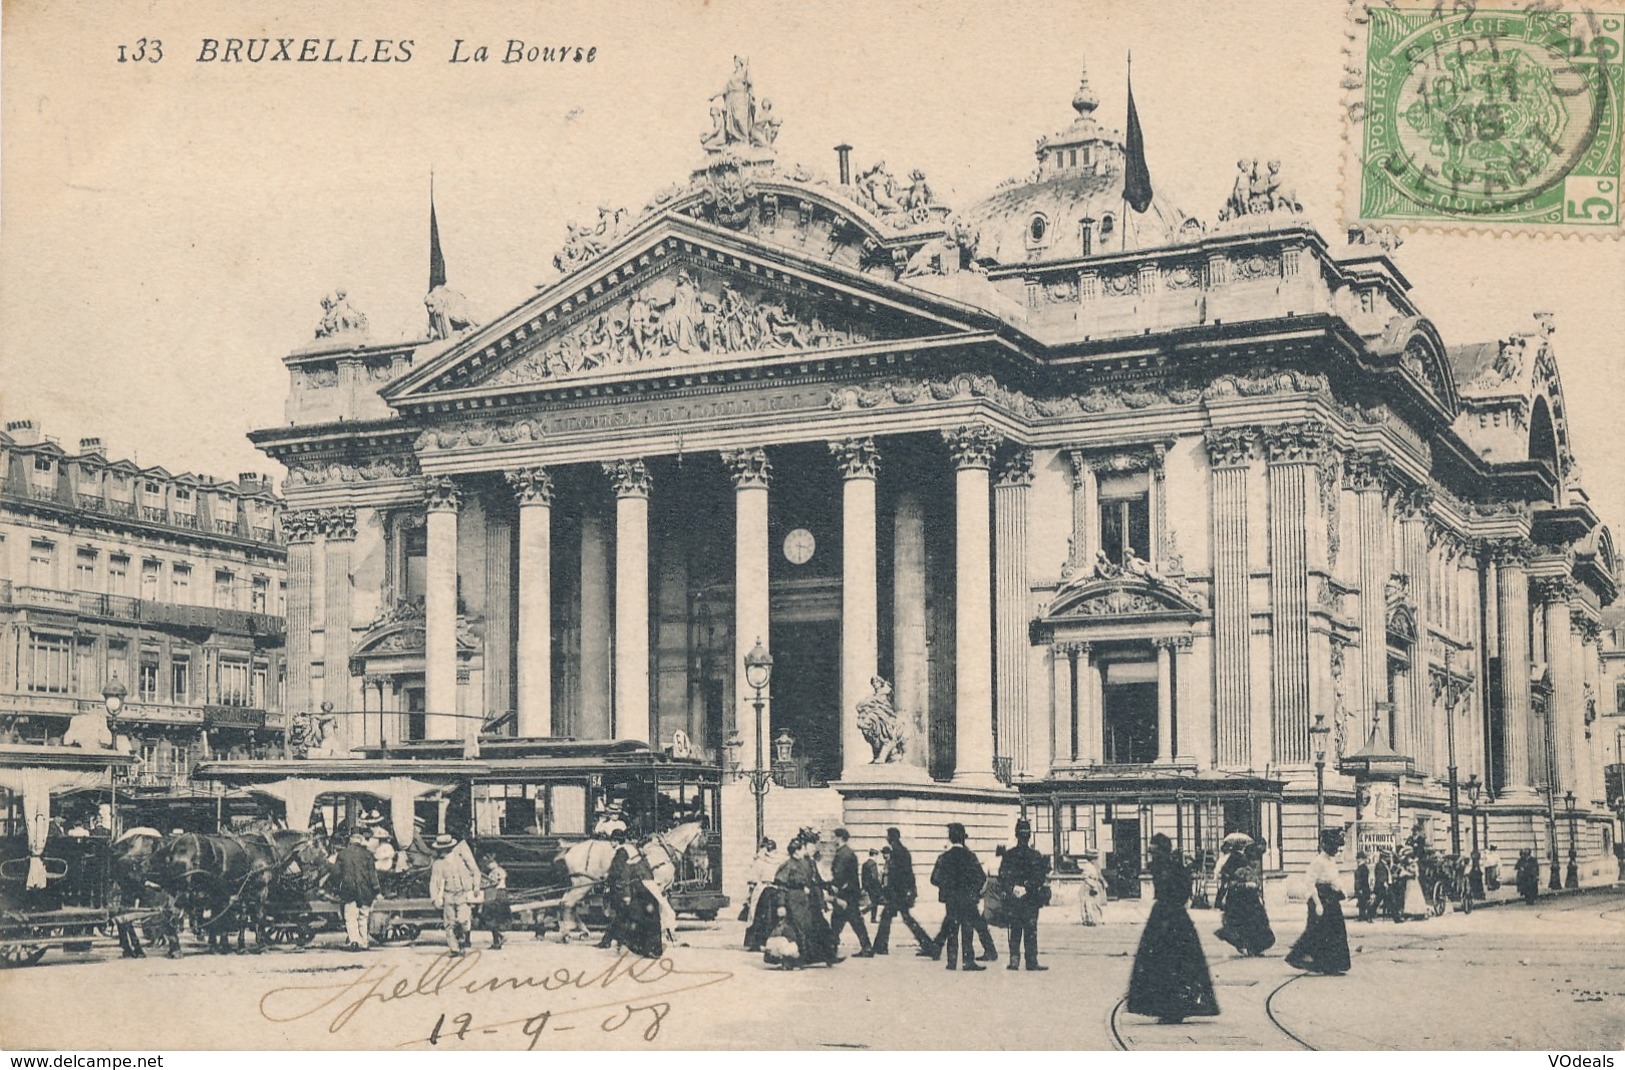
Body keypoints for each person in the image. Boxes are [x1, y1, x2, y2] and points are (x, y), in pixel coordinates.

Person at [1126, 833, 1220, 1024]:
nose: (1152, 855)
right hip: (1168, 916)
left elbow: (1183, 892)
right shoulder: (1164, 867)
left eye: (1154, 851)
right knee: (1168, 963)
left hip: (1170, 916)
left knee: (1169, 962)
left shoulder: (1170, 867)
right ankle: (1168, 1007)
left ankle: (1172, 1007)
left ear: (1162, 851)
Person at [1285, 828, 1352, 975]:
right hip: (1320, 899)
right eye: (1334, 847)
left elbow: (1335, 880)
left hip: (1332, 899)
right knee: (1316, 931)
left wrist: (1342, 892)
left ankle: (1331, 965)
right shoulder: (1318, 862)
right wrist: (1318, 904)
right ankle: (1302, 958)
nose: (1337, 850)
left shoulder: (1331, 862)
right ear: (1326, 846)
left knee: (1335, 932)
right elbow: (1310, 883)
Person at [769, 834, 841, 967]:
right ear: (797, 851)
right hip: (793, 901)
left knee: (808, 929)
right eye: (803, 848)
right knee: (797, 930)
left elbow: (814, 881)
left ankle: (817, 957)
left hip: (805, 901)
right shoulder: (787, 865)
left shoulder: (804, 863)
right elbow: (781, 887)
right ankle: (793, 959)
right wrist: (781, 905)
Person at [930, 822, 987, 972]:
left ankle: (952, 962)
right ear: (963, 838)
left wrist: (947, 887)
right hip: (968, 899)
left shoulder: (944, 857)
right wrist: (972, 891)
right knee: (967, 931)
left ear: (950, 838)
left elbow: (934, 879)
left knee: (952, 930)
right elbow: (981, 878)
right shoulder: (970, 856)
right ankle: (968, 961)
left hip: (951, 900)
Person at [599, 830, 662, 958]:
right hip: (644, 887)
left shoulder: (621, 851)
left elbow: (618, 871)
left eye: (612, 840)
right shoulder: (633, 849)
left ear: (616, 841)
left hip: (631, 888)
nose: (611, 843)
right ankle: (609, 940)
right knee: (636, 916)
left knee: (626, 915)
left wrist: (607, 878)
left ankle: (634, 945)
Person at [998, 818, 1050, 971]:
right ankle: (1031, 961)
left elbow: (1002, 875)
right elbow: (1040, 877)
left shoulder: (1009, 855)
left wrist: (1013, 888)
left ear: (1016, 835)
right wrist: (1027, 887)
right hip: (1030, 898)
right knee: (1031, 930)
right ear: (1029, 836)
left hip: (1014, 899)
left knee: (1014, 929)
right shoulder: (1035, 855)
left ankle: (1014, 961)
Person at [873, 827, 934, 955]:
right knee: (903, 918)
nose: (887, 838)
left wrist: (890, 892)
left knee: (895, 918)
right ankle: (928, 945)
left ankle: (881, 946)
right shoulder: (903, 851)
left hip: (897, 893)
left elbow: (897, 875)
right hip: (901, 892)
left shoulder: (896, 853)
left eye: (888, 836)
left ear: (891, 838)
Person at [1215, 840, 1275, 956]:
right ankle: (1250, 947)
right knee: (1249, 925)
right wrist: (1246, 885)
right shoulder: (1239, 865)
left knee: (1255, 924)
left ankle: (1253, 947)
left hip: (1250, 900)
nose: (1256, 862)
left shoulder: (1248, 866)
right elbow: (1231, 882)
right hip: (1242, 900)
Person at [827, 829, 875, 957]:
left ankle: (832, 949)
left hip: (845, 894)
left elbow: (840, 874)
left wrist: (834, 886)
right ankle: (866, 947)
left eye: (834, 838)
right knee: (854, 921)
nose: (832, 840)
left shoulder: (842, 854)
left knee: (838, 921)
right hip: (851, 893)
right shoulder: (849, 852)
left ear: (840, 838)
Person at [428, 834, 477, 956]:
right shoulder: (438, 864)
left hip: (462, 894)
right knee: (449, 924)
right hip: (448, 895)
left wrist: (475, 886)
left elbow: (474, 871)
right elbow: (434, 882)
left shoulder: (460, 859)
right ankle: (454, 949)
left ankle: (462, 939)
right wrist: (435, 898)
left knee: (463, 919)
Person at [333, 832, 381, 952]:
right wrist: (377, 891)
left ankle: (354, 941)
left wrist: (337, 888)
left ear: (350, 840)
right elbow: (372, 875)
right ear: (361, 841)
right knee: (363, 917)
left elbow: (336, 873)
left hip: (349, 891)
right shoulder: (368, 854)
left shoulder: (342, 854)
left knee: (350, 917)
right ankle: (364, 942)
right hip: (366, 892)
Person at [478, 852, 510, 950]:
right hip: (499, 894)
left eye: (488, 863)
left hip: (496, 894)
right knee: (493, 918)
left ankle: (498, 939)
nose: (487, 865)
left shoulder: (497, 871)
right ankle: (498, 938)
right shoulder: (496, 871)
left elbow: (494, 882)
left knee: (490, 917)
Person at [1078, 849, 1107, 926]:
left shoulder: (1095, 866)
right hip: (1088, 885)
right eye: (1095, 858)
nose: (1096, 860)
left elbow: (1098, 875)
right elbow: (1085, 877)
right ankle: (1089, 920)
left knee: (1096, 903)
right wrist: (1093, 886)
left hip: (1094, 884)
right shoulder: (1088, 866)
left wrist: (1102, 882)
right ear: (1091, 859)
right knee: (1088, 903)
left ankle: (1096, 919)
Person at [862, 848, 885, 925]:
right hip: (874, 886)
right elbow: (874, 877)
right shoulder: (873, 864)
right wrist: (879, 886)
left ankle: (873, 918)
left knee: (874, 901)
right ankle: (862, 912)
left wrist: (864, 887)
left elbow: (863, 877)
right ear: (874, 855)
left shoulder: (865, 864)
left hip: (867, 886)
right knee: (875, 902)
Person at [1353, 850, 1375, 922]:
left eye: (1358, 858)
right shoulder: (1362, 867)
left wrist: (1359, 888)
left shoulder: (1363, 868)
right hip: (1362, 888)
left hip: (1363, 888)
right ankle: (1363, 916)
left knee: (1364, 902)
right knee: (1362, 902)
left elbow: (1361, 880)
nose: (1357, 860)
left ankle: (1366, 916)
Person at [1374, 849, 1394, 921]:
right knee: (1377, 902)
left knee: (1391, 901)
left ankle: (1397, 918)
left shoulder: (1385, 864)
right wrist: (1385, 883)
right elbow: (1381, 876)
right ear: (1384, 858)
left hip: (1386, 885)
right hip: (1382, 887)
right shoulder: (1380, 865)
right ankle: (1369, 915)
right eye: (1388, 857)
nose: (1389, 858)